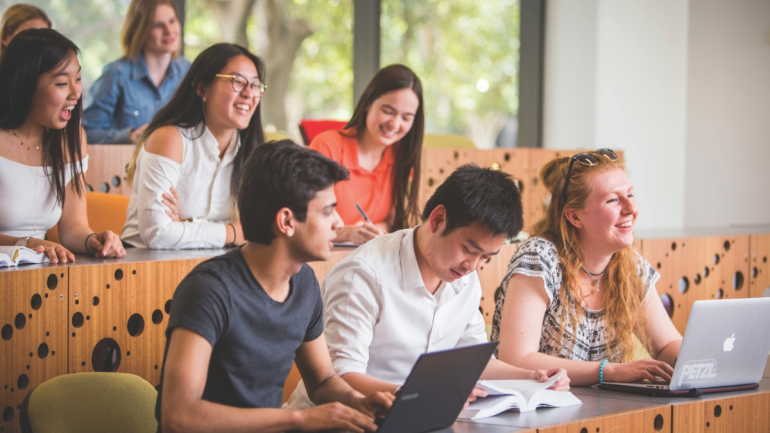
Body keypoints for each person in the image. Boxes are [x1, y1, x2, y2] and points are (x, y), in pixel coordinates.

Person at [287, 164, 570, 410]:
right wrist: (425, 395)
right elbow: (338, 378)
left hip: (415, 417)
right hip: (338, 421)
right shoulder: (363, 275)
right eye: (469, 250)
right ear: (437, 219)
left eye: (486, 257)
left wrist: (534, 376)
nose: (473, 266)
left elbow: (471, 361)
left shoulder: (463, 276)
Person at [157, 140, 394, 433]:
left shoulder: (304, 281)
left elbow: (321, 381)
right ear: (286, 221)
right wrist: (300, 419)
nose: (339, 222)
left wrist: (358, 402)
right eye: (327, 211)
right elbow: (178, 417)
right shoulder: (208, 290)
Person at [491, 150, 683, 386]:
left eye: (630, 194)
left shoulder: (630, 266)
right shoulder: (540, 257)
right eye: (613, 200)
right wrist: (607, 372)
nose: (631, 208)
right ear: (575, 216)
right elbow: (515, 359)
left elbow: (666, 345)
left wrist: (698, 359)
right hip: (534, 412)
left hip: (603, 413)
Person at [121, 43, 265, 249]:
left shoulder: (254, 151)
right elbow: (157, 233)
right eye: (238, 81)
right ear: (202, 88)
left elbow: (261, 230)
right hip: (145, 267)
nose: (249, 93)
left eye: (255, 85)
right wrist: (232, 231)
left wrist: (184, 225)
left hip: (213, 267)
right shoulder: (170, 139)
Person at [0, 29, 124, 262]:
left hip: (39, 275)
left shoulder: (72, 139)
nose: (76, 93)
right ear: (25, 85)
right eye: (61, 83)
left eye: (77, 79)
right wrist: (27, 243)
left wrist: (93, 240)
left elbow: (73, 227)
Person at [309, 64, 423, 244]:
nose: (394, 124)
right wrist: (349, 233)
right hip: (325, 257)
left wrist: (373, 230)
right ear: (368, 103)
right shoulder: (327, 146)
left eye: (406, 118)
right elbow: (306, 220)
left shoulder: (402, 157)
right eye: (387, 111)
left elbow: (393, 220)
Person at [83, 0, 190, 144]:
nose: (169, 31)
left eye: (172, 21)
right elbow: (87, 133)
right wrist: (130, 136)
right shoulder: (116, 74)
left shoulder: (187, 71)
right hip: (125, 164)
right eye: (158, 25)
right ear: (139, 29)